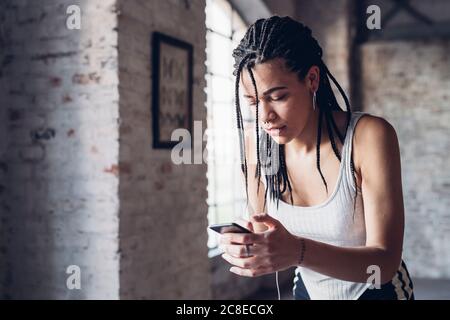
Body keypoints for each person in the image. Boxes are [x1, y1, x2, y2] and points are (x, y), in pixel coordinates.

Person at [219, 16, 414, 300]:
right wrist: (248, 244)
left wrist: (297, 251)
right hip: (308, 291)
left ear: (312, 79)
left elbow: (382, 264)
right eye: (252, 102)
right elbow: (264, 232)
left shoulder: (369, 136)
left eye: (277, 96)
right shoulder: (255, 147)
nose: (264, 117)